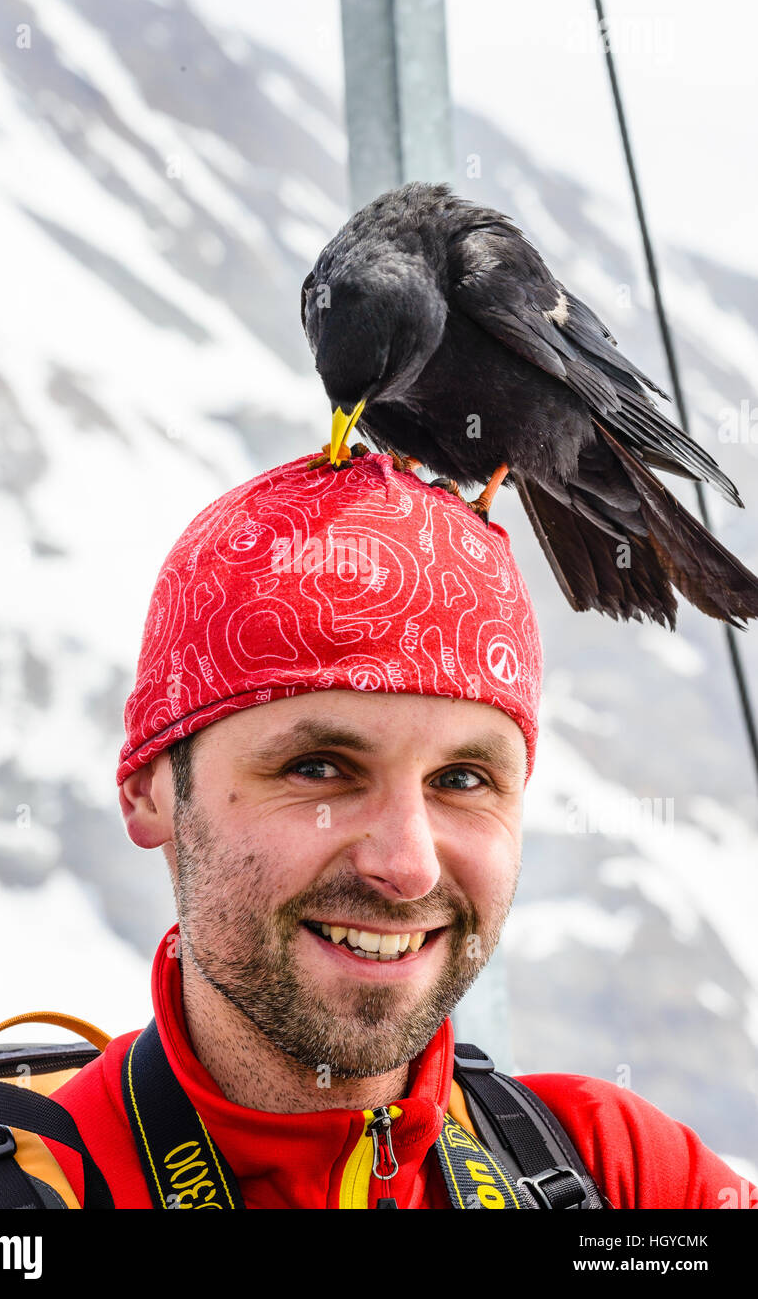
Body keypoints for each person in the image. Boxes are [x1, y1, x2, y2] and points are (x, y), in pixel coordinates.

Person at [41, 449, 755, 1209]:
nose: (407, 865)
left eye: (461, 781)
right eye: (318, 769)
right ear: (148, 791)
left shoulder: (620, 1171)